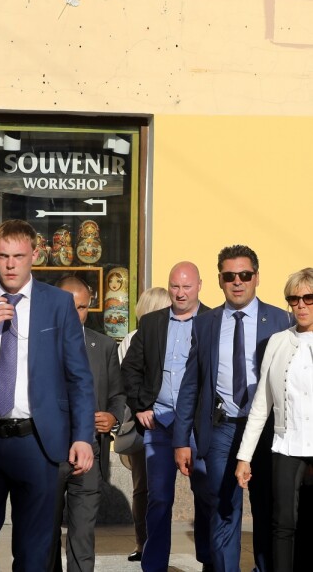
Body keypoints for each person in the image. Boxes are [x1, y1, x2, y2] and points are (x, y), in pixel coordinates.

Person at [0, 219, 95, 572]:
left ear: (34, 256)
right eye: (3, 256)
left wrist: (83, 437)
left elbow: (79, 377)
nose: (10, 264)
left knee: (33, 552)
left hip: (36, 440)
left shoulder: (58, 304)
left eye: (18, 256)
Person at [174, 245, 291, 572]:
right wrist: (181, 439)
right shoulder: (206, 323)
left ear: (256, 277)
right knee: (223, 509)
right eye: (229, 276)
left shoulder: (281, 320)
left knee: (267, 510)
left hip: (267, 431)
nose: (237, 282)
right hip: (222, 429)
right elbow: (191, 385)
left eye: (244, 275)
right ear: (220, 280)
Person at [121, 262, 213, 571]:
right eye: (175, 286)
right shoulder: (152, 323)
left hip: (199, 427)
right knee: (158, 498)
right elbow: (130, 368)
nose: (180, 293)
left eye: (187, 286)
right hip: (159, 422)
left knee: (205, 495)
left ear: (199, 285)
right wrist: (139, 407)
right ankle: (155, 565)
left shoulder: (213, 321)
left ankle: (208, 559)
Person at [235, 268, 313, 570]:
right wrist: (244, 457)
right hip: (286, 445)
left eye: (308, 297)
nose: (301, 305)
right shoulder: (279, 341)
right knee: (282, 523)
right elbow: (261, 405)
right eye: (293, 299)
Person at [52, 276, 124, 572]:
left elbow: (118, 394)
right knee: (44, 532)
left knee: (83, 535)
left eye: (82, 308)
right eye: (69, 307)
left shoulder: (103, 345)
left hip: (90, 453)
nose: (75, 314)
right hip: (48, 452)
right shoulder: (36, 344)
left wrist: (113, 417)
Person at [117, 286, 172, 562]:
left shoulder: (130, 339)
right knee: (147, 489)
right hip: (145, 423)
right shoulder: (134, 339)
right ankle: (146, 545)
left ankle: (145, 544)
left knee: (145, 489)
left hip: (149, 422)